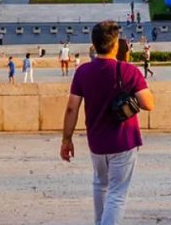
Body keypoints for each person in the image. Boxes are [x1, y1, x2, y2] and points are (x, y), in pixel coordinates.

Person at [61, 21, 154, 225]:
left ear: (93, 44)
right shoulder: (128, 71)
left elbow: (71, 108)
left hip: (96, 142)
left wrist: (66, 140)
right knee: (117, 195)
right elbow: (149, 103)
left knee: (100, 185)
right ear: (115, 45)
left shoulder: (83, 72)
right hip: (124, 141)